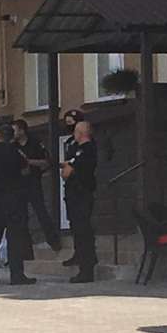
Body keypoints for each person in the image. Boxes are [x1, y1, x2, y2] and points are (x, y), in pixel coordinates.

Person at [0, 124, 36, 285]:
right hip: (13, 200)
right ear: (11, 138)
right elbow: (25, 170)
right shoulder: (15, 152)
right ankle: (17, 276)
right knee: (15, 239)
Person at [12, 119, 61, 251]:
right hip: (18, 183)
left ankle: (53, 240)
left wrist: (28, 161)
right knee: (21, 215)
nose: (13, 133)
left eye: (14, 130)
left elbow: (46, 162)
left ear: (22, 130)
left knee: (41, 211)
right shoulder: (13, 145)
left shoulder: (35, 143)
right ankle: (25, 247)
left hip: (33, 181)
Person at [61, 120, 98, 284]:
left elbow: (67, 172)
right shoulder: (77, 149)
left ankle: (86, 269)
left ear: (82, 133)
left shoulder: (86, 149)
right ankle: (83, 260)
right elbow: (66, 169)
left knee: (83, 231)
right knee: (78, 229)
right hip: (75, 195)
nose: (74, 133)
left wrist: (68, 167)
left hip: (81, 195)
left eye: (76, 131)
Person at [60, 109, 84, 267]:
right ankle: (77, 252)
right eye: (67, 123)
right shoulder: (69, 142)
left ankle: (84, 255)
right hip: (70, 186)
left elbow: (77, 163)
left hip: (81, 187)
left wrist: (69, 166)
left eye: (72, 123)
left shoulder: (85, 143)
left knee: (82, 224)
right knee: (74, 222)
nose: (69, 126)